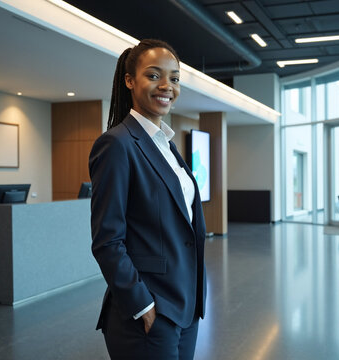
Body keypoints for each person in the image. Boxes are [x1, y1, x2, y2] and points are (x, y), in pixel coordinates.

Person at [89, 39, 207, 359]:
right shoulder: (117, 145)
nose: (166, 85)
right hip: (149, 313)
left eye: (174, 78)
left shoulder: (166, 146)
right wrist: (143, 306)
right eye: (154, 75)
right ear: (130, 81)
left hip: (185, 308)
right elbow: (107, 241)